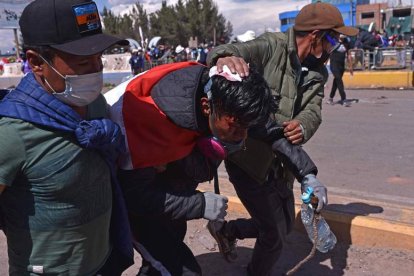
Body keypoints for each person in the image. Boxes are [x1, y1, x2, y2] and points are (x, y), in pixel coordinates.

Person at [104, 61, 327, 275]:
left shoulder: (227, 98)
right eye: (236, 128)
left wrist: (306, 174)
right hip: (119, 193)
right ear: (205, 108)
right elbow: (134, 196)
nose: (243, 137)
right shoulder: (149, 123)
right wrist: (199, 204)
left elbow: (270, 132)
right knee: (179, 270)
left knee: (166, 249)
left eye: (247, 127)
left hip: (164, 185)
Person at [206, 2, 358, 275]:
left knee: (284, 225)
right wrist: (225, 58)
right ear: (315, 35)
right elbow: (229, 53)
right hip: (249, 162)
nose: (334, 47)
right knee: (274, 236)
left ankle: (229, 231)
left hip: (284, 164)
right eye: (333, 39)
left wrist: (303, 125)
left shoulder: (317, 73)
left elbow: (314, 110)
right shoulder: (270, 47)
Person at [0, 0, 133, 275]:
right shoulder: (12, 132)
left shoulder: (94, 104)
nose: (96, 70)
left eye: (99, 58)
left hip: (104, 261)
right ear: (37, 63)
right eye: (84, 62)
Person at [326, 35, 353, 107]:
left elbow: (349, 55)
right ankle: (344, 99)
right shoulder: (333, 41)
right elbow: (327, 36)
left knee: (337, 81)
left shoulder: (346, 42)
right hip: (333, 64)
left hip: (341, 66)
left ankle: (330, 98)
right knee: (339, 80)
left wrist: (350, 67)